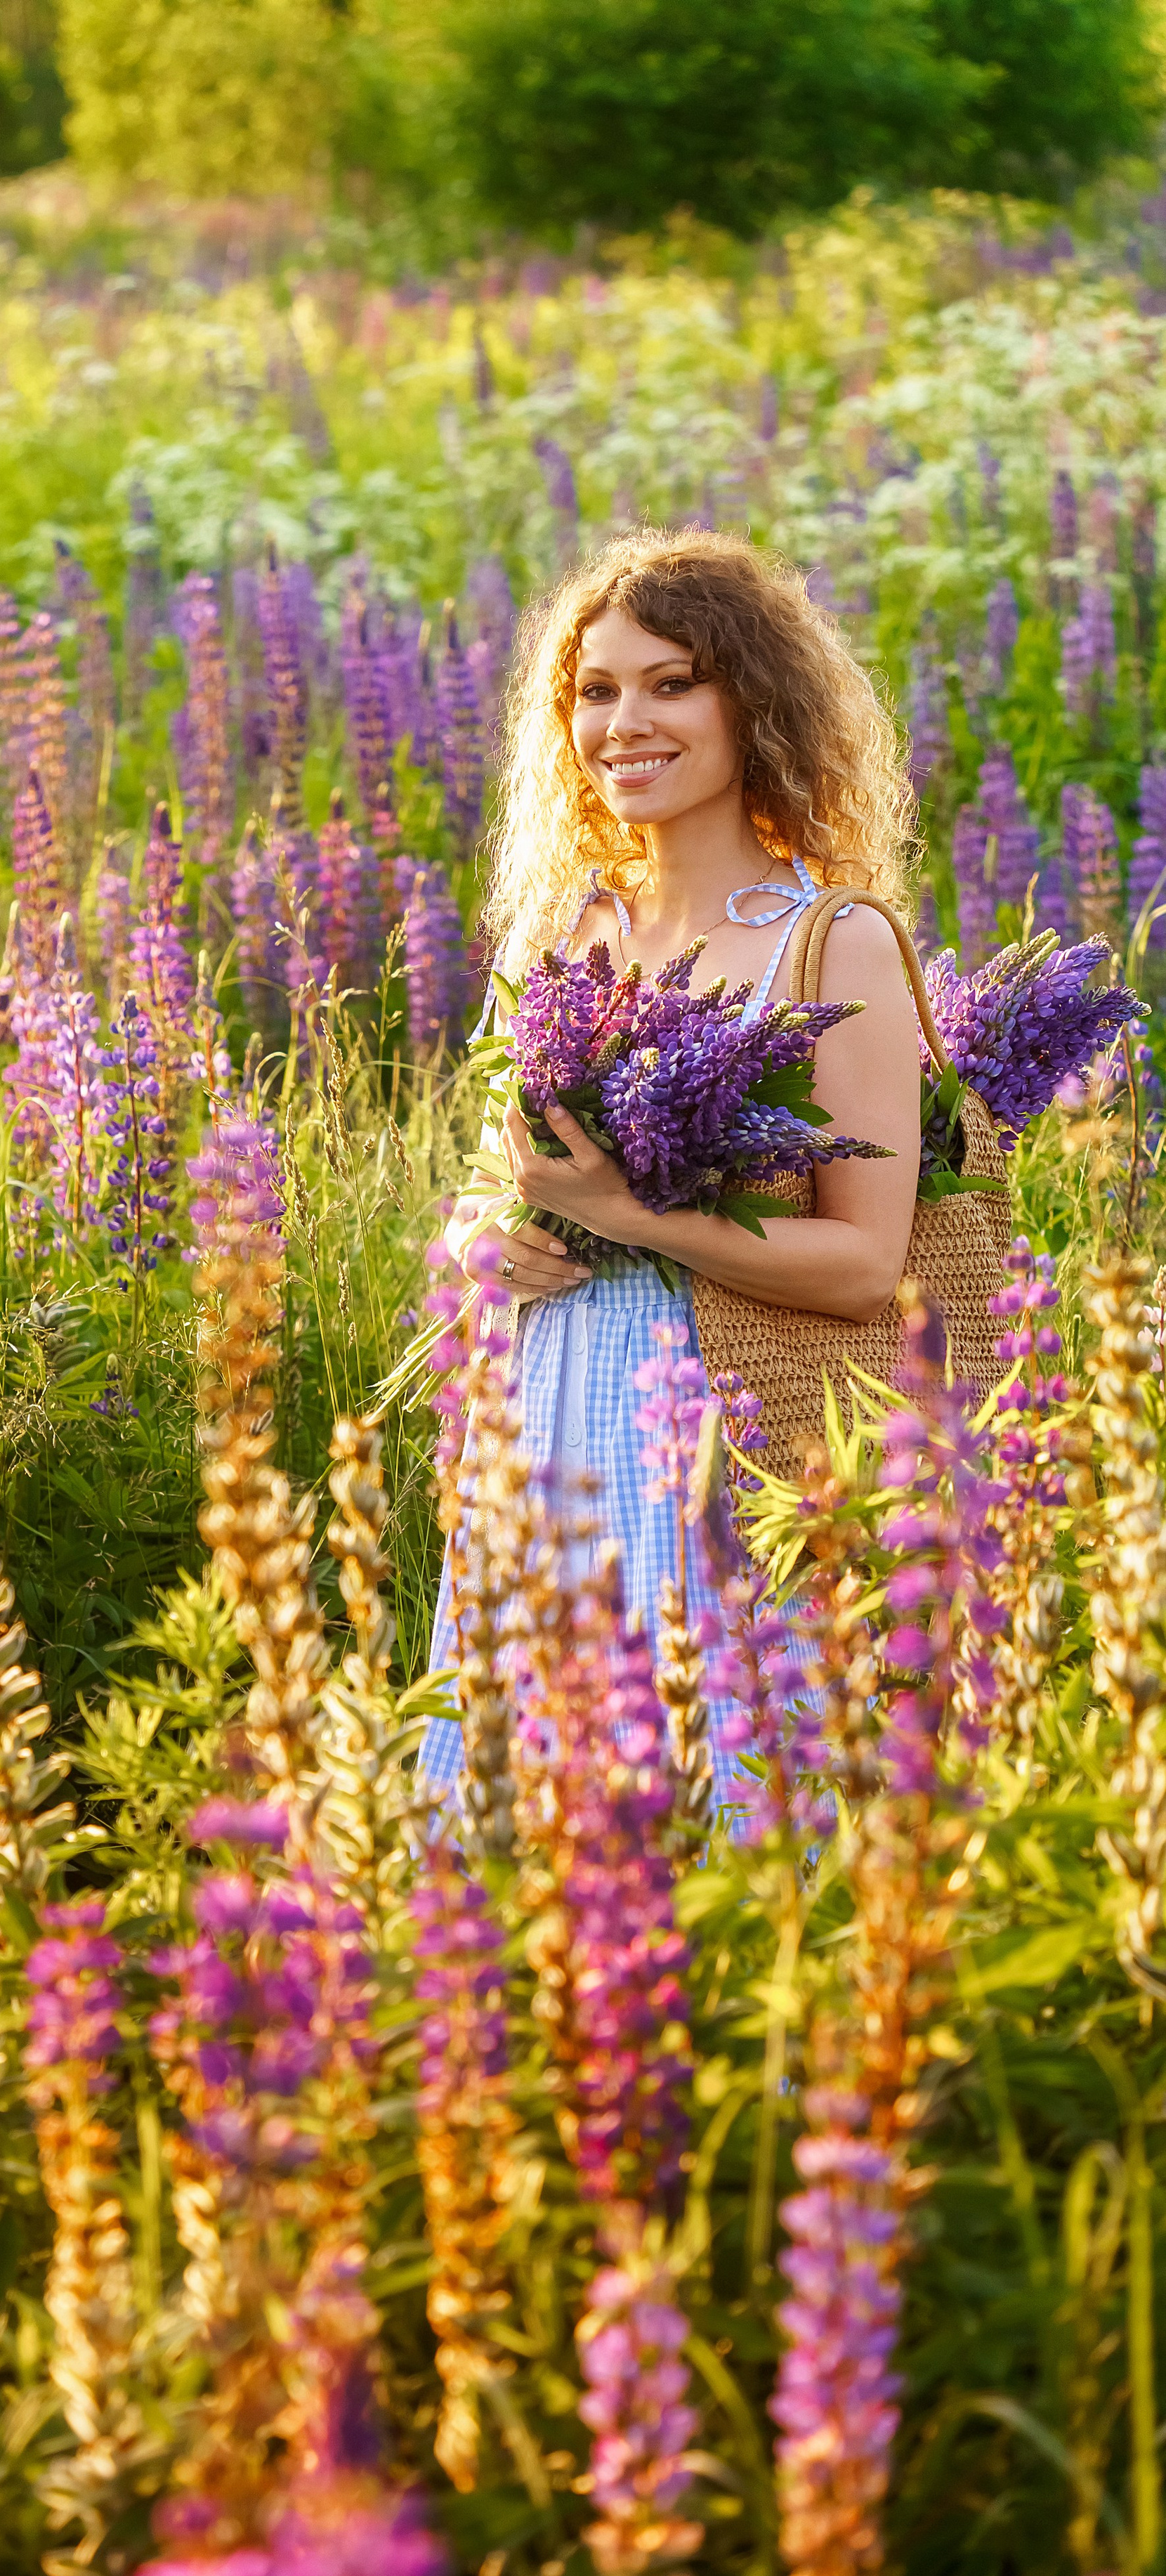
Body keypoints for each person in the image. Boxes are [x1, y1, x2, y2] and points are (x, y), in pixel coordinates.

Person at [420, 526, 921, 1801]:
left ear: (753, 702)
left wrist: (631, 1217)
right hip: (550, 1412)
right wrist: (495, 1243)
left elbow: (866, 1266)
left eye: (671, 682)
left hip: (736, 1425)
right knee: (542, 1805)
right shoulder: (564, 929)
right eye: (596, 690)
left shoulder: (836, 944)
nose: (623, 721)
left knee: (722, 1779)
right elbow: (497, 1191)